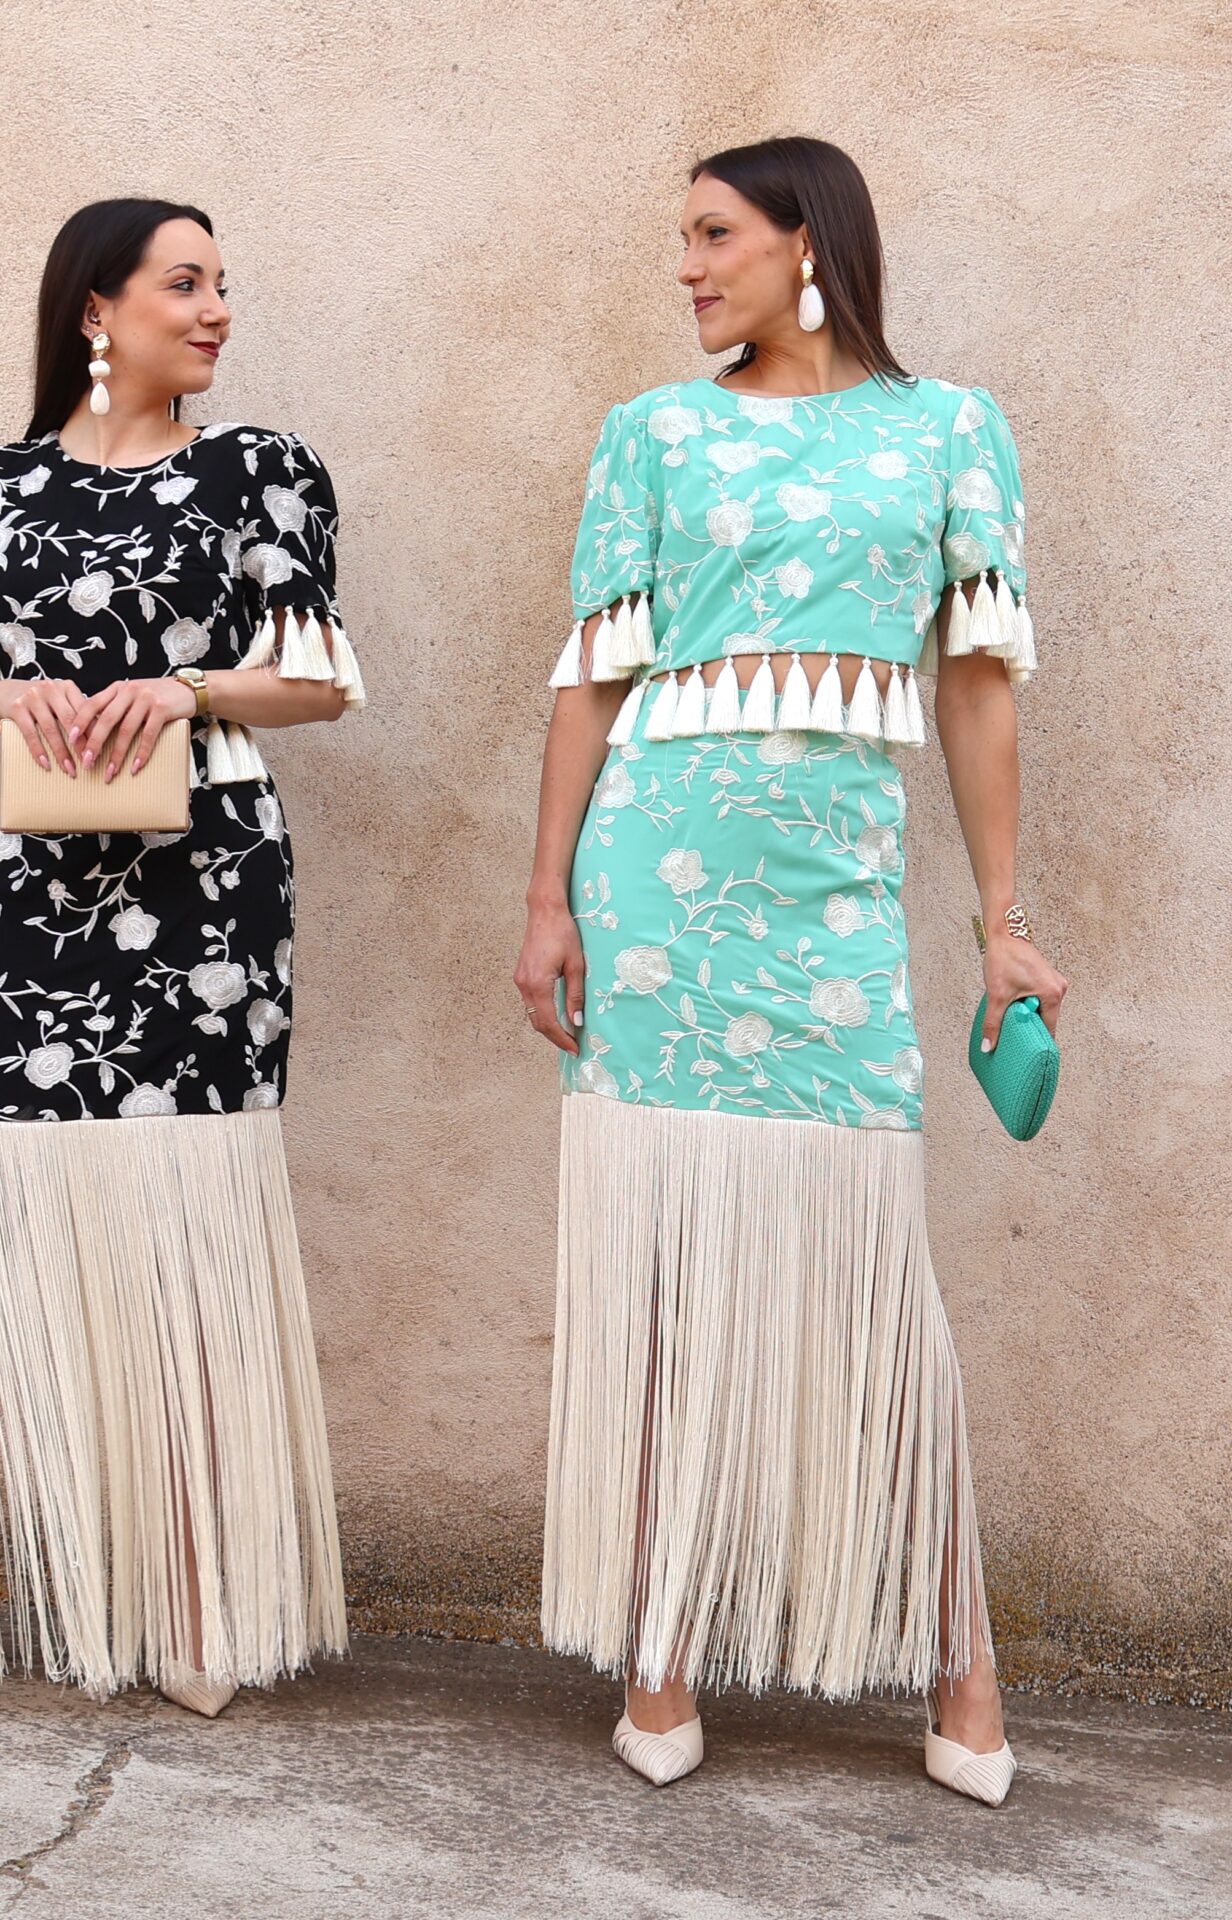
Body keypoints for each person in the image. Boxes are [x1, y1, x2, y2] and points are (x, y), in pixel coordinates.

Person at [515, 137, 1065, 1800]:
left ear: (805, 241)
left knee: (873, 1275)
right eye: (682, 239)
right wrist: (548, 898)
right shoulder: (652, 433)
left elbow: (976, 687)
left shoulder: (948, 429)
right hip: (656, 883)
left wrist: (1002, 918)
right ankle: (663, 1647)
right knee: (665, 1271)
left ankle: (959, 1662)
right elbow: (591, 682)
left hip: (835, 905)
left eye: (713, 235)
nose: (687, 267)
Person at [0, 197, 360, 1727]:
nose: (218, 308)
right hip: (32, 889)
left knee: (188, 1219)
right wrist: (5, 700)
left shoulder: (263, 469)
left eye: (224, 284)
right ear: (96, 309)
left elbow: (318, 682)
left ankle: (192, 1592)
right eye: (186, 283)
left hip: (210, 886)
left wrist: (183, 687)